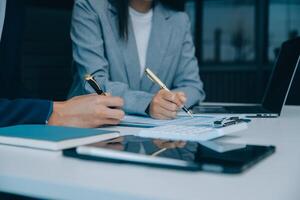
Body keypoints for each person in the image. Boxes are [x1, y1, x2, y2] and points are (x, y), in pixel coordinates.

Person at [69, 0, 205, 120]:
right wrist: (146, 103)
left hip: (155, 135)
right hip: (96, 127)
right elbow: (93, 82)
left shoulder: (179, 20)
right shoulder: (90, 6)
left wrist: (169, 101)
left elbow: (192, 86)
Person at [0, 0, 125, 128]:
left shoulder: (13, 5)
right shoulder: (92, 6)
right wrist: (53, 112)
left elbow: (9, 87)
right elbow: (95, 80)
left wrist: (54, 109)